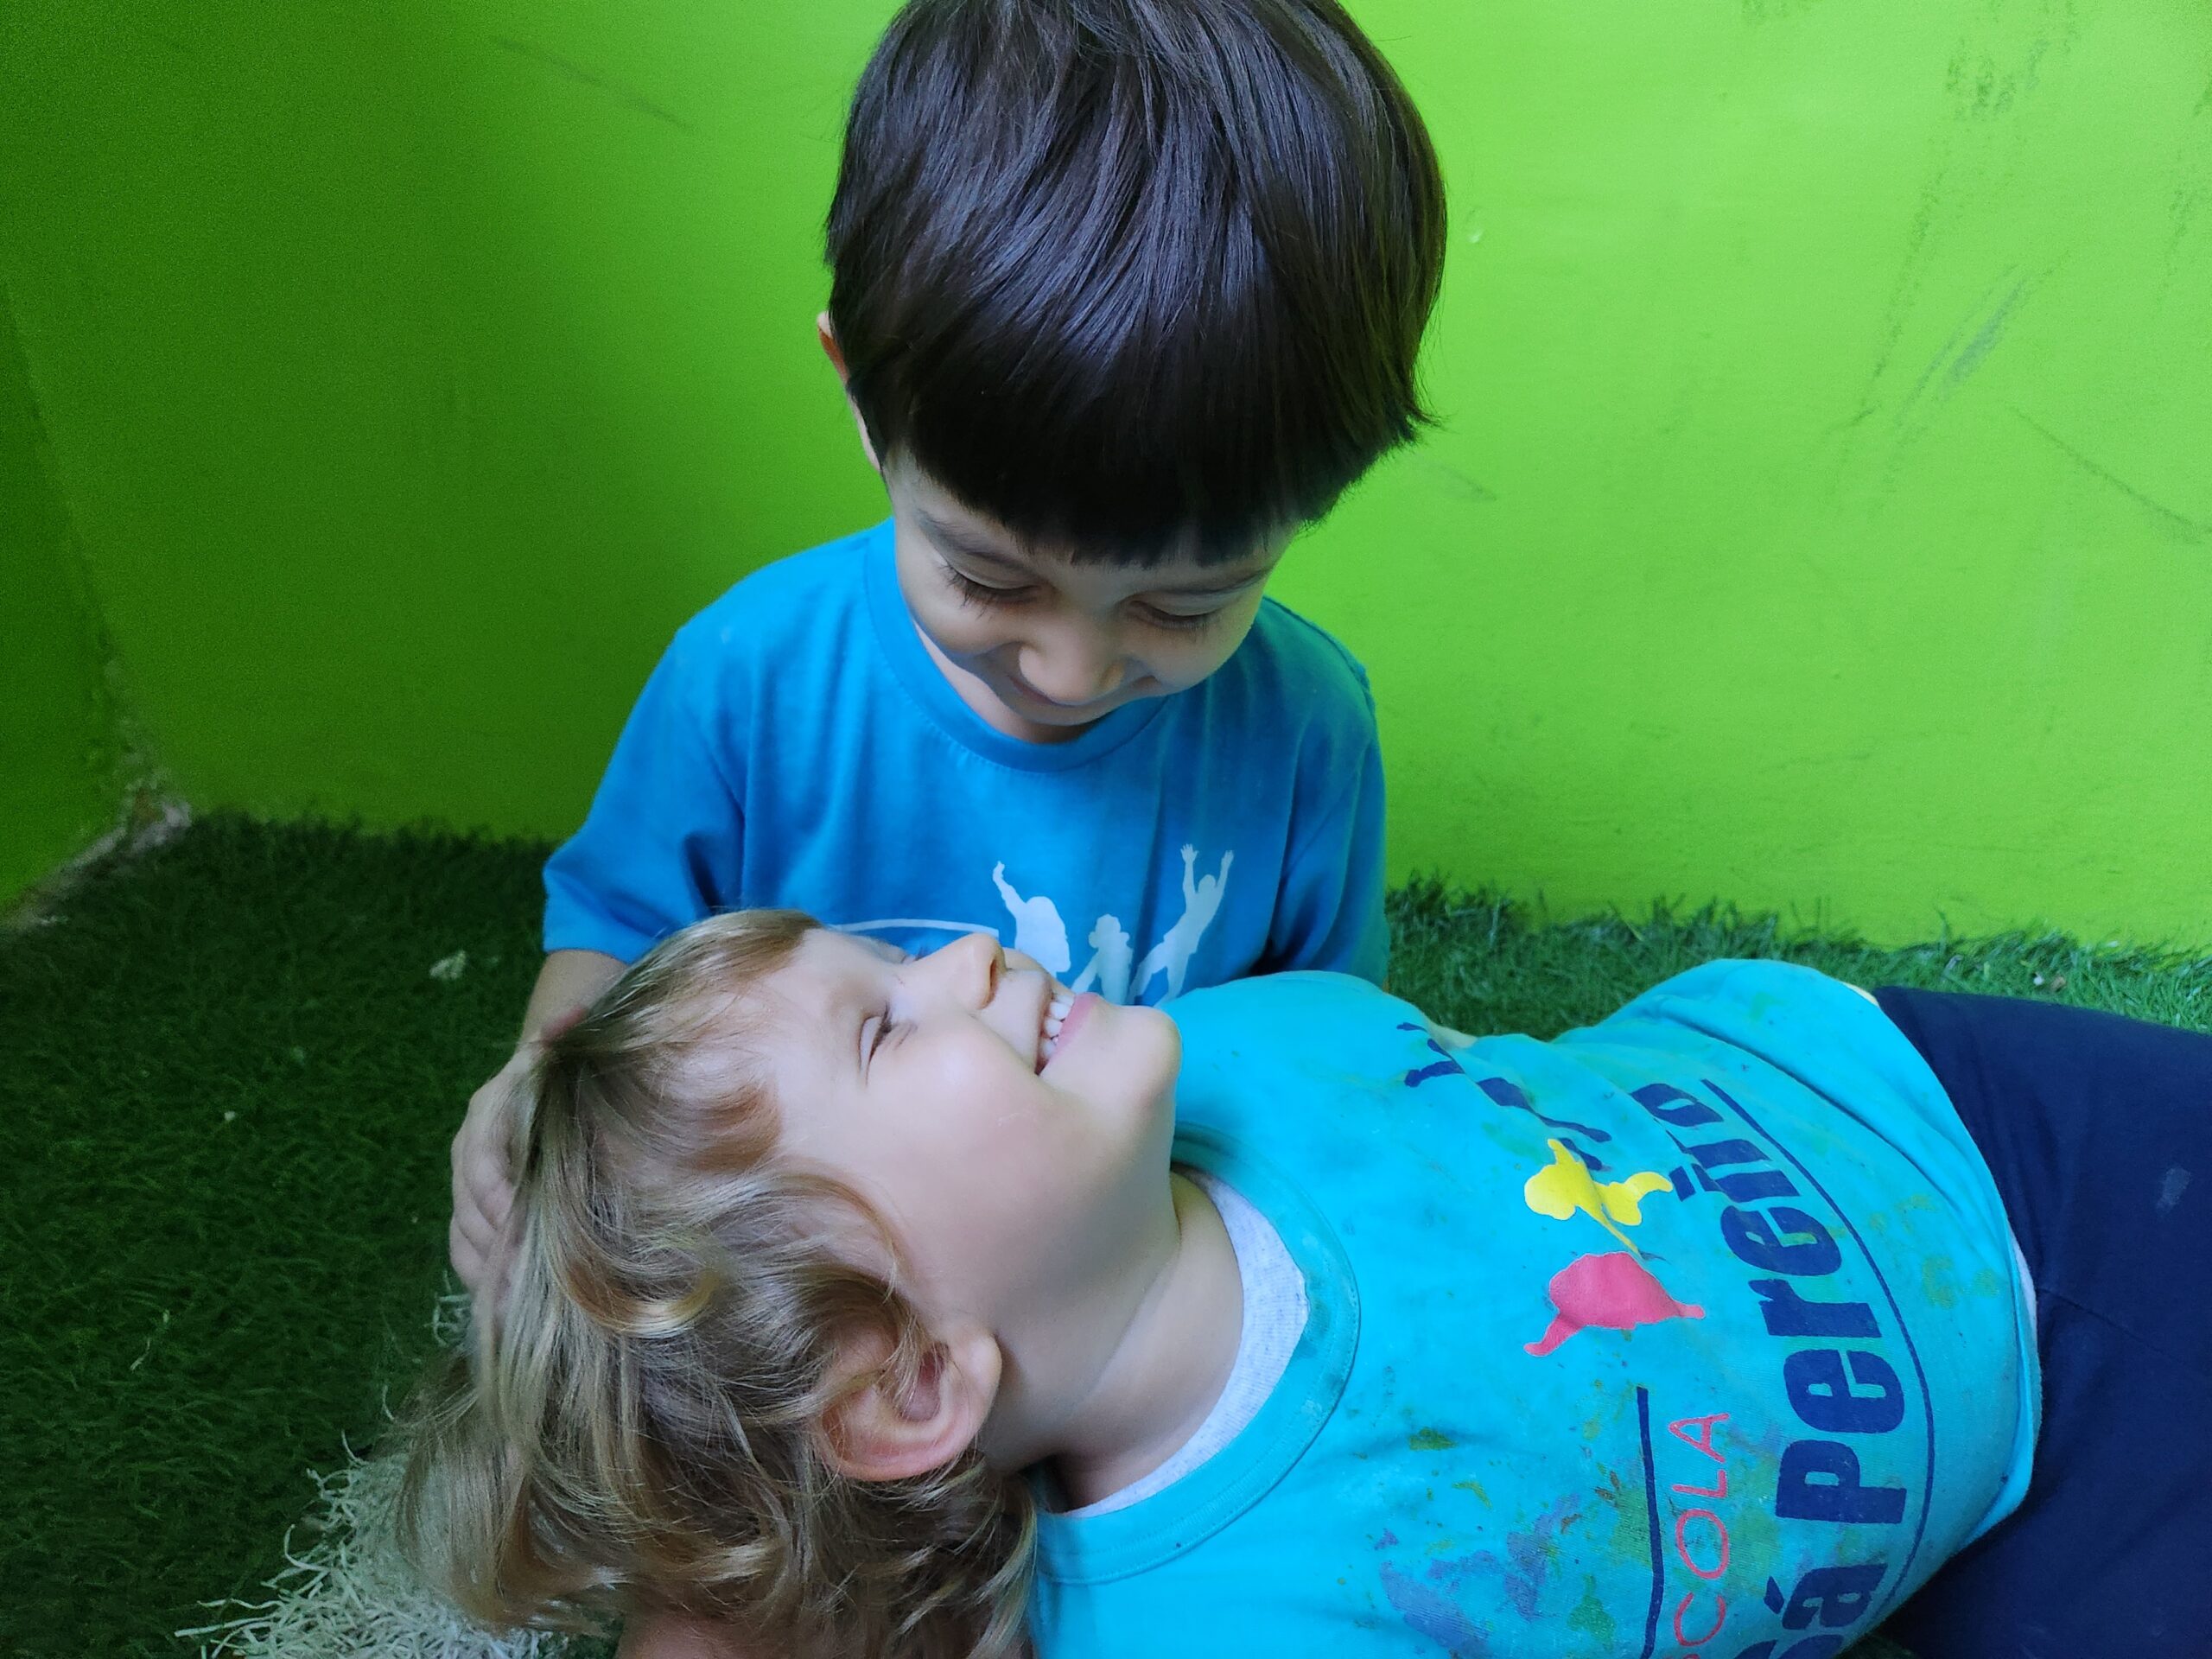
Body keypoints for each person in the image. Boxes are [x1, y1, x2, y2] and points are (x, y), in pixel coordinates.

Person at [401, 912, 2212, 1659]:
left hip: (1915, 1087)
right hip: (2045, 1469)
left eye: (887, 955)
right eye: (884, 1027)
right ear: (904, 1385)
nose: (966, 953)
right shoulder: (1245, 1622)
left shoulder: (1222, 1048)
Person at [446, 0, 1447, 1321]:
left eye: (1184, 604)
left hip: (1129, 1308)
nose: (1073, 671)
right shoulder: (749, 682)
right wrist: (540, 1081)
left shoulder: (1307, 733)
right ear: (864, 399)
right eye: (989, 578)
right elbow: (618, 945)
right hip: (827, 1320)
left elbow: (1332, 1060)